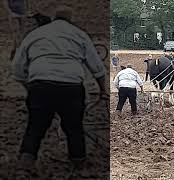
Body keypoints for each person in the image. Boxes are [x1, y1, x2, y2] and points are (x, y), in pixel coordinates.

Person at [10, 5, 106, 176]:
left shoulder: (36, 34)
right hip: (71, 87)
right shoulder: (79, 34)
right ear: (71, 20)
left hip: (40, 85)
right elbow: (97, 68)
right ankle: (79, 163)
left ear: (54, 18)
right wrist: (102, 90)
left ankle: (25, 164)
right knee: (74, 127)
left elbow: (17, 69)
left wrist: (30, 87)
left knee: (35, 126)